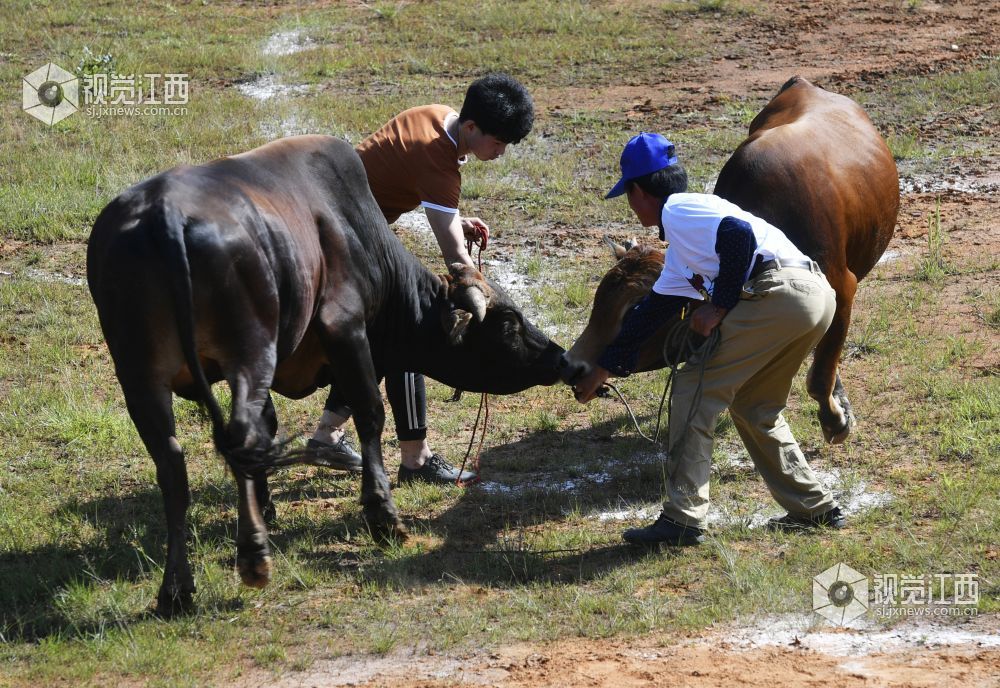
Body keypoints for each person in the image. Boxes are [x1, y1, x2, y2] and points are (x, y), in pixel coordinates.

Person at [573, 132, 845, 545]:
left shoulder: (679, 210)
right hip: (814, 297)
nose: (631, 206)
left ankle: (682, 518)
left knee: (693, 387)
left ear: (640, 191)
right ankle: (815, 508)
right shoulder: (684, 246)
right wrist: (605, 369)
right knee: (754, 405)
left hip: (780, 293)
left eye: (627, 195)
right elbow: (652, 313)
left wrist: (718, 305)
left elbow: (738, 236)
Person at [310, 72, 534, 485]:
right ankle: (415, 460)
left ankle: (328, 434)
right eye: (499, 142)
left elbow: (399, 177)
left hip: (339, 229)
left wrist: (454, 219)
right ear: (471, 127)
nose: (501, 152)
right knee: (408, 328)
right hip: (339, 242)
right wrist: (473, 282)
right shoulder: (439, 161)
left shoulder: (436, 118)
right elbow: (454, 257)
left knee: (387, 333)